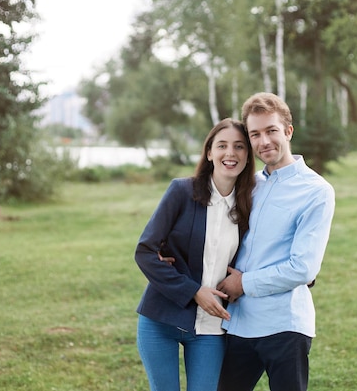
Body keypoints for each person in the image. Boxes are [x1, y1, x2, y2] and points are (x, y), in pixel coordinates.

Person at [217, 92, 335, 391]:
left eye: (271, 130)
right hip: (238, 323)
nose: (264, 141)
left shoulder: (316, 190)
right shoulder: (247, 184)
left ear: (288, 131)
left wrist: (243, 284)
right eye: (255, 134)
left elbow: (303, 269)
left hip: (285, 326)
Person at [135, 118, 256, 391]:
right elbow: (145, 251)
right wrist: (193, 290)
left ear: (248, 156)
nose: (230, 153)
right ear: (209, 152)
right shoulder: (182, 191)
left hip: (212, 328)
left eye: (239, 147)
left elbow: (264, 250)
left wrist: (304, 275)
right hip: (160, 319)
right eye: (222, 145)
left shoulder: (250, 205)